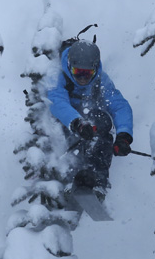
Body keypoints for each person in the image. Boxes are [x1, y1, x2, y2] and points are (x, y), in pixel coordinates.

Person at [48, 40, 133, 193]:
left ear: (95, 69)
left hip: (88, 125)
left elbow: (119, 105)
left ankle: (97, 178)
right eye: (77, 72)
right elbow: (57, 102)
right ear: (69, 66)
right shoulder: (58, 76)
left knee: (101, 120)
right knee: (69, 131)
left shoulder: (101, 80)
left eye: (87, 74)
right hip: (66, 123)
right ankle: (69, 176)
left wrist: (123, 136)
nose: (82, 78)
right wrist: (77, 123)